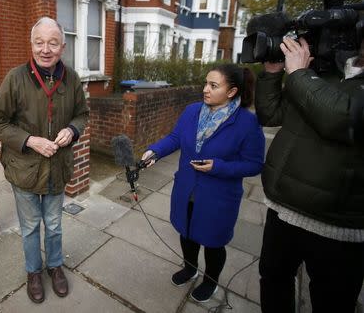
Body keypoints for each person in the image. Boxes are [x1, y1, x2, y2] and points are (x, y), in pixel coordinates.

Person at [255, 35, 364, 313]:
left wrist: (300, 74)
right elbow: (270, 114)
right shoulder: (324, 72)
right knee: (273, 280)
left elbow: (343, 118)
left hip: (336, 226)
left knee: (332, 302)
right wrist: (272, 73)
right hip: (283, 209)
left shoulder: (305, 74)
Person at [141, 63, 265, 302]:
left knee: (213, 242)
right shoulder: (192, 111)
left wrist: (219, 167)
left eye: (213, 85)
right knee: (186, 233)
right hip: (186, 188)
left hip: (218, 198)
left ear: (231, 92)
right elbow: (175, 138)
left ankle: (210, 280)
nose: (205, 89)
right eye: (206, 83)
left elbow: (255, 164)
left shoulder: (248, 123)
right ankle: (189, 269)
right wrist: (154, 152)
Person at [0, 17, 89, 303]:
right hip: (24, 169)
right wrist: (30, 140)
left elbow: (82, 115)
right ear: (31, 44)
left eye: (53, 43)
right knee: (31, 226)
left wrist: (72, 130)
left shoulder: (72, 79)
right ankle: (34, 272)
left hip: (57, 168)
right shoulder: (15, 78)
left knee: (55, 225)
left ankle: (55, 266)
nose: (46, 49)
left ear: (63, 46)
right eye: (39, 42)